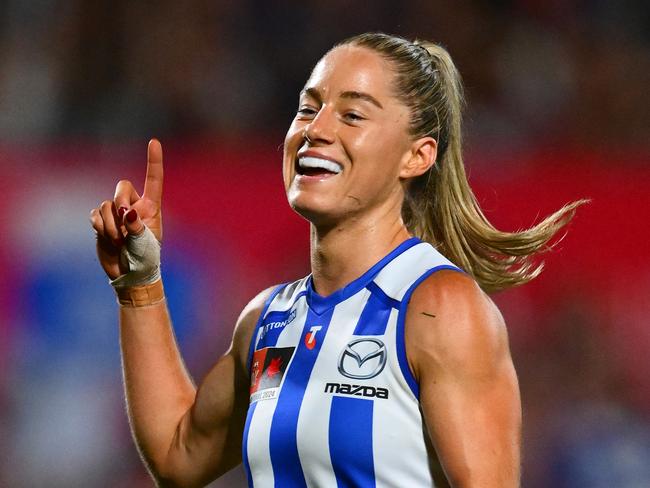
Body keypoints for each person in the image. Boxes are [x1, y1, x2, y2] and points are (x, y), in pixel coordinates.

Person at [90, 32, 583, 488]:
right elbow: (180, 456)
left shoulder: (438, 308)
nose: (316, 129)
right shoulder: (267, 320)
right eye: (308, 109)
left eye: (352, 115)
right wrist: (140, 282)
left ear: (418, 155)